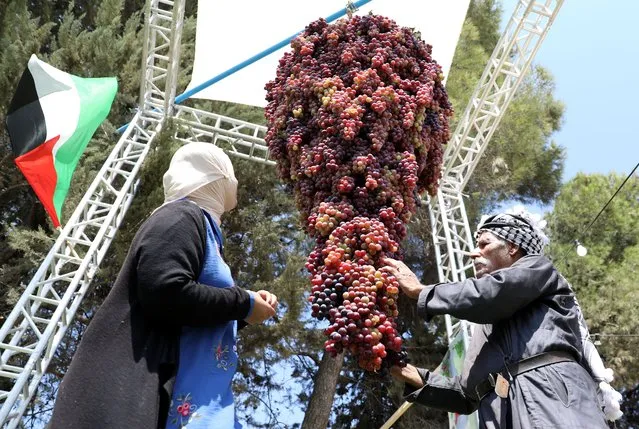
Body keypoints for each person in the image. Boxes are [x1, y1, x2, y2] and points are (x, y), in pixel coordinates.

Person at [49, 142, 278, 429]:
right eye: (229, 172)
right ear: (215, 176)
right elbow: (164, 291)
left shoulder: (203, 228)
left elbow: (186, 310)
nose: (236, 181)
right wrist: (242, 303)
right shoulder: (182, 216)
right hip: (134, 395)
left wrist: (245, 311)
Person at [382, 209, 616, 428]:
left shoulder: (537, 268)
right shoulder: (485, 323)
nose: (474, 253)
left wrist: (421, 291)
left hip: (553, 399)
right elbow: (466, 394)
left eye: (484, 244)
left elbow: (491, 293)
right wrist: (402, 370)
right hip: (500, 414)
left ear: (513, 247)